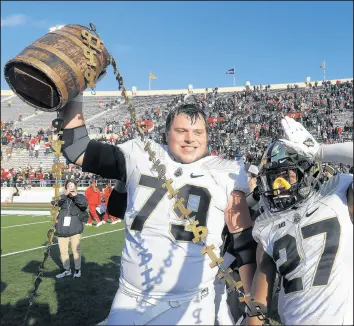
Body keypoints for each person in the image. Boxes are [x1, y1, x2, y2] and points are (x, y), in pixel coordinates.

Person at [58, 94, 255, 325]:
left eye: (198, 133)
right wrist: (74, 95)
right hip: (131, 301)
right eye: (181, 131)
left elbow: (243, 242)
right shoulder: (140, 154)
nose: (190, 139)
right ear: (166, 133)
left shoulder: (227, 172)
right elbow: (76, 148)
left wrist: (252, 301)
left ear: (207, 137)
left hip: (194, 305)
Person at [248, 117, 353, 325]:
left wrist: (320, 152)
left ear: (305, 171)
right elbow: (260, 290)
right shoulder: (267, 225)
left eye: (287, 174)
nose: (279, 185)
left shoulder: (335, 195)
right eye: (273, 177)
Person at [53, 179, 89, 279]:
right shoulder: (62, 196)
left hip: (75, 227)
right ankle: (67, 270)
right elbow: (56, 203)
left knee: (75, 250)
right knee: (63, 251)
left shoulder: (80, 196)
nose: (71, 187)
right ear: (66, 187)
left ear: (76, 187)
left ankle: (77, 270)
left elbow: (84, 205)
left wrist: (75, 196)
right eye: (69, 185)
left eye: (72, 185)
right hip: (62, 228)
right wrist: (65, 194)